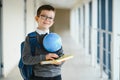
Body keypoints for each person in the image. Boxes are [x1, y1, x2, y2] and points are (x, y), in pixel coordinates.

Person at [22, 4, 64, 80]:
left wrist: (60, 62)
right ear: (36, 18)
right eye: (43, 16)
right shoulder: (31, 38)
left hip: (57, 75)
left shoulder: (55, 38)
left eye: (50, 18)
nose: (47, 20)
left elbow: (62, 55)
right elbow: (26, 59)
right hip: (39, 76)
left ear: (53, 22)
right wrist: (45, 57)